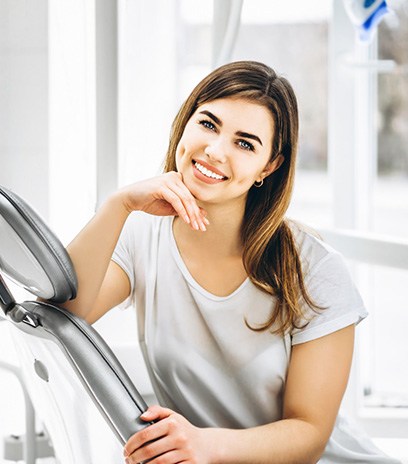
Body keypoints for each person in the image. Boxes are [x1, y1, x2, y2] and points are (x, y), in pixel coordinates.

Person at [61, 61, 401, 463]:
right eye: (208, 124)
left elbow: (310, 435)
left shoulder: (314, 268)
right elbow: (69, 312)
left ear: (269, 166)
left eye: (245, 143)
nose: (215, 150)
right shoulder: (139, 234)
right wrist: (118, 205)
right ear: (185, 123)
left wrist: (206, 444)